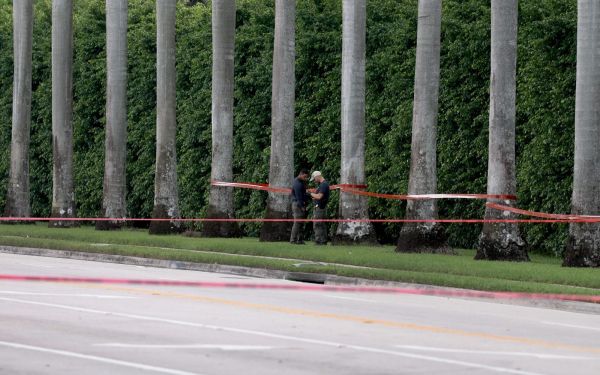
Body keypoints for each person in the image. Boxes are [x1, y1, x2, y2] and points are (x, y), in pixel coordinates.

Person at [290, 169, 310, 244]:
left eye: (306, 177)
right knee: (297, 223)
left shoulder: (300, 182)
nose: (306, 178)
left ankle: (300, 239)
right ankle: (293, 240)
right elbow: (299, 196)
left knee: (301, 223)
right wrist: (302, 206)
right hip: (298, 204)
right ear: (301, 174)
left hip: (300, 203)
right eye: (305, 177)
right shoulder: (297, 183)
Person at [310, 171, 330, 245]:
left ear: (317, 176)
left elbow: (319, 196)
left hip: (320, 208)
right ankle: (323, 240)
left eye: (314, 179)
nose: (314, 181)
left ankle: (319, 241)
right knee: (322, 225)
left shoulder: (323, 185)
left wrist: (310, 194)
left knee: (317, 224)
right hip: (321, 207)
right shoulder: (323, 184)